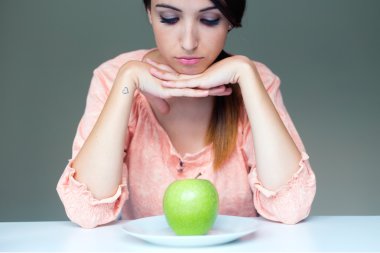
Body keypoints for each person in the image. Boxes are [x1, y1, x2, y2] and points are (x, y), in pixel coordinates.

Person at [57, 0, 316, 229]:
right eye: (170, 18)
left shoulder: (257, 82)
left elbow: (291, 207)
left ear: (229, 20)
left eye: (209, 19)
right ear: (149, 12)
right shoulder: (113, 78)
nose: (189, 43)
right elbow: (87, 211)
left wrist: (246, 73)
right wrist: (128, 79)